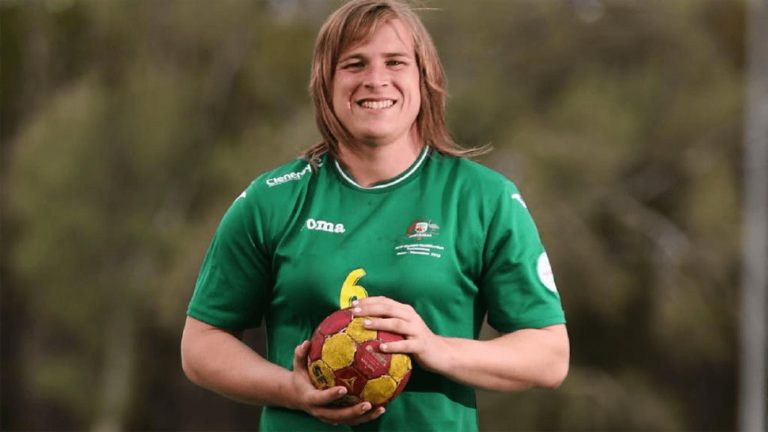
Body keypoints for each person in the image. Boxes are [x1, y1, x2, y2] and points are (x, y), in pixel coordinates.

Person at [181, 1, 569, 431]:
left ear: (426, 78)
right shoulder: (271, 199)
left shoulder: (484, 199)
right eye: (354, 64)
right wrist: (291, 390)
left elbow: (549, 356)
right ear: (326, 82)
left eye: (396, 62)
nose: (376, 80)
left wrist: (437, 348)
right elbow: (201, 345)